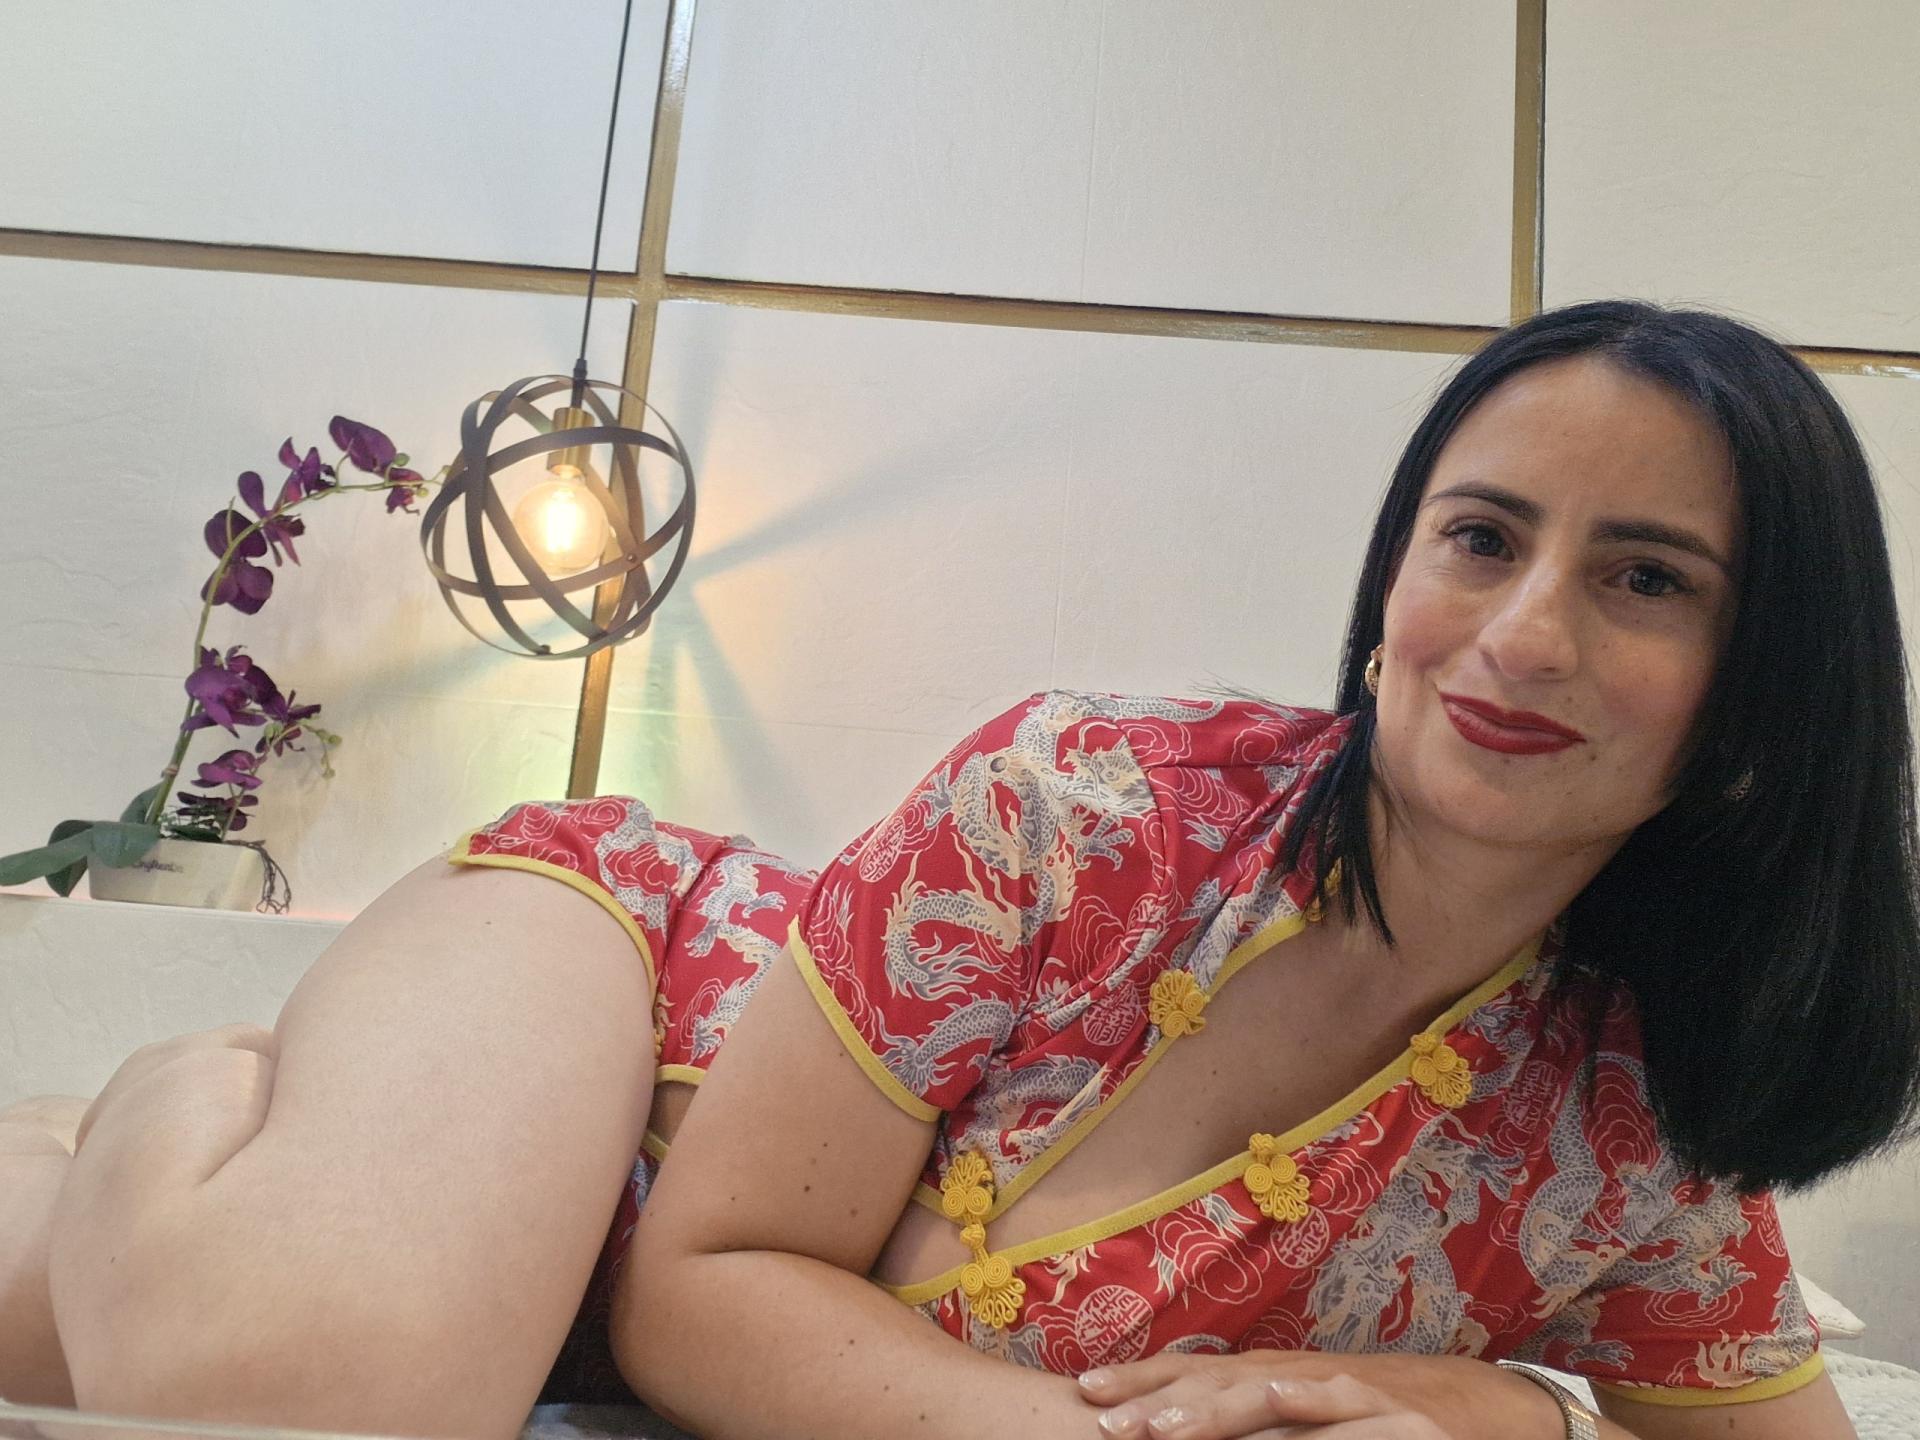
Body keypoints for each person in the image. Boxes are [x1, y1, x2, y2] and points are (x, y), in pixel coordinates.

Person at [3, 299, 1912, 1440]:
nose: (1521, 634)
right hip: (610, 988)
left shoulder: (1647, 1130)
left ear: (1769, 696)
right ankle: (181, 1081)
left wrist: (1513, 1413)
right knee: (316, 1392)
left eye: (1645, 579)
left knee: (128, 1333)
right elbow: (709, 1285)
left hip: (558, 1286)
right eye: (1480, 539)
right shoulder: (1087, 798)